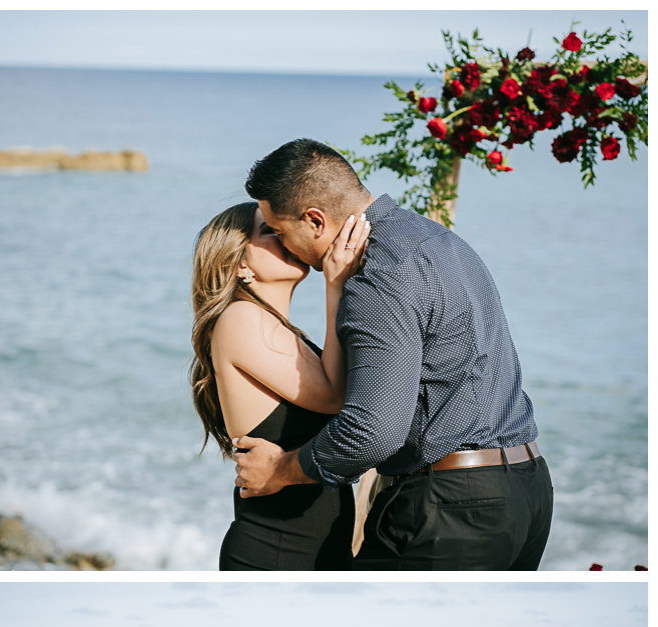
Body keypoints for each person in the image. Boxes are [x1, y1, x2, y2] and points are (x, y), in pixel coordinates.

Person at [232, 138, 554, 571]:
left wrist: (281, 469)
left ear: (314, 220)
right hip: (527, 490)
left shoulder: (378, 277)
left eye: (282, 231)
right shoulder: (435, 239)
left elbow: (373, 430)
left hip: (454, 510)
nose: (285, 247)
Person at [190, 201, 370, 569]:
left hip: (313, 550)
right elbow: (336, 396)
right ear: (239, 264)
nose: (285, 236)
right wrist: (335, 283)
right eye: (269, 231)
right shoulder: (240, 318)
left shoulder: (282, 331)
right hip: (275, 552)